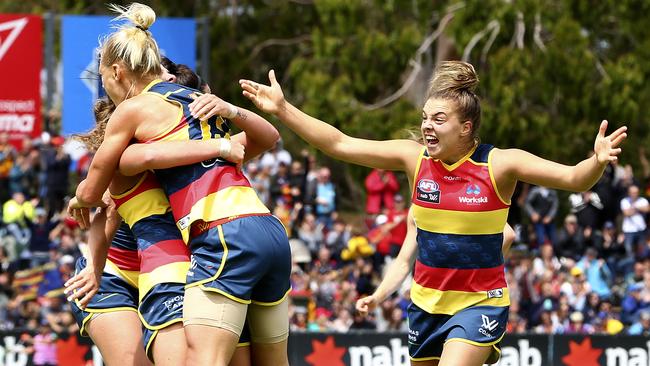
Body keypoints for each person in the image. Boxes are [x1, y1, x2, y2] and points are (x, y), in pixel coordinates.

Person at [240, 61, 626, 365]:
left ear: (466, 128)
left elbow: (575, 179)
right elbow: (340, 143)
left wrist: (597, 160)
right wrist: (283, 109)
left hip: (480, 304)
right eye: (425, 117)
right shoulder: (414, 159)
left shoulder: (501, 165)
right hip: (425, 305)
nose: (427, 126)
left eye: (439, 119)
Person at [69, 4, 290, 366]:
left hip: (189, 260)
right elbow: (102, 206)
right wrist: (223, 138)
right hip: (120, 272)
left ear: (116, 71)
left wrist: (229, 123)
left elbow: (97, 193)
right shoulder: (153, 135)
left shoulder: (149, 122)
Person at [66, 71, 253, 365]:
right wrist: (94, 266)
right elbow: (107, 210)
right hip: (115, 277)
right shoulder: (135, 154)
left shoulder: (208, 148)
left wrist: (231, 113)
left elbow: (261, 140)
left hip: (175, 273)